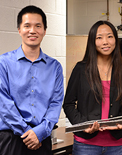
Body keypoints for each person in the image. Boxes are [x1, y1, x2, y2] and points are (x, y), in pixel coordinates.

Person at [0, 5, 64, 155]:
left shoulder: (55, 67)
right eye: (27, 26)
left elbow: (56, 103)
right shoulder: (3, 63)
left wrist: (40, 132)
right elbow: (3, 102)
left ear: (44, 31)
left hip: (42, 139)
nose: (32, 30)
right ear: (19, 30)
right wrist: (27, 131)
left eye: (38, 26)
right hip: (11, 138)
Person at [63, 20, 122, 155]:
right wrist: (83, 125)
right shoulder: (81, 69)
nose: (105, 42)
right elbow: (68, 104)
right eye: (99, 38)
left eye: (110, 36)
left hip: (116, 145)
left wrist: (121, 122)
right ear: (92, 42)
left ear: (116, 40)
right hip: (86, 145)